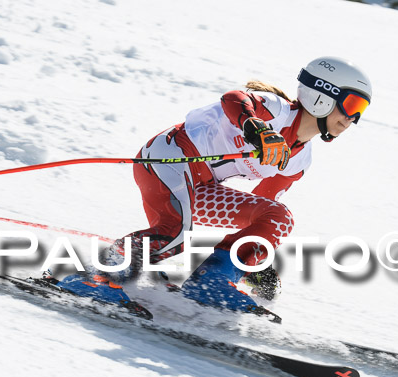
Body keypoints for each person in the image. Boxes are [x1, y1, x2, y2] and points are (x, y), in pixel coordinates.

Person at [58, 56, 372, 315]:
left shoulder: (299, 160)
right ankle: (92, 278)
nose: (352, 119)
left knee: (279, 217)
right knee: (173, 234)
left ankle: (213, 281)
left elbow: (263, 210)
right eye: (351, 105)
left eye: (361, 112)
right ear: (322, 96)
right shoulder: (276, 110)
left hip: (202, 186)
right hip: (168, 159)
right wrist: (255, 128)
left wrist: (250, 259)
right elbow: (234, 99)